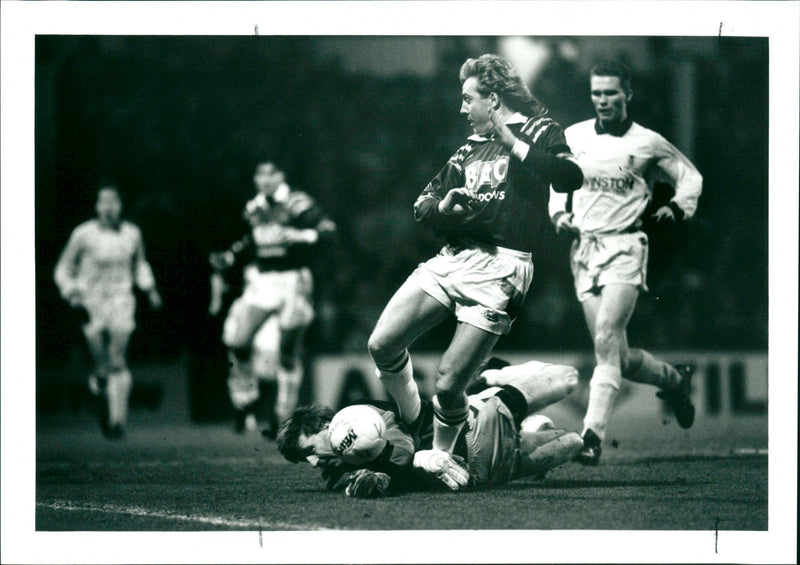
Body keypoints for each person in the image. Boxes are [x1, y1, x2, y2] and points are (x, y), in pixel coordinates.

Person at [366, 53, 583, 455]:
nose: (462, 108)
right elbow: (422, 204)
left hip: (502, 267)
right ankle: (415, 421)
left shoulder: (540, 129)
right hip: (453, 259)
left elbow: (571, 176)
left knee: (448, 384)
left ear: (494, 100)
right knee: (382, 344)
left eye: (469, 99)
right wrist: (443, 209)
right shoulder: (469, 148)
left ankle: (441, 459)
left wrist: (514, 145)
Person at [548, 61, 703, 465]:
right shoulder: (574, 135)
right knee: (617, 355)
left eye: (611, 93)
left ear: (627, 95)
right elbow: (558, 181)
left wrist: (677, 206)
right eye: (597, 92)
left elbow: (690, 177)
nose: (602, 100)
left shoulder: (647, 142)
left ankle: (591, 437)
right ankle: (674, 379)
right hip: (584, 250)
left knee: (604, 337)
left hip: (626, 247)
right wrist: (559, 213)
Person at [276, 358, 583, 497]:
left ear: (326, 425)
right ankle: (522, 424)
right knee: (573, 443)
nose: (314, 462)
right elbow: (369, 480)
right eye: (305, 460)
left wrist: (394, 458)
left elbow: (404, 449)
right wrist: (371, 482)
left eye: (309, 450)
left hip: (473, 426)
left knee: (568, 378)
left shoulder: (362, 416)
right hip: (480, 472)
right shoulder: (335, 472)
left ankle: (491, 376)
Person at [209, 161, 335, 435]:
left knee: (287, 352)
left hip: (294, 281)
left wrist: (300, 234)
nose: (264, 179)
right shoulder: (254, 207)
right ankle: (246, 400)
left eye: (270, 174)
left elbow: (328, 230)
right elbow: (251, 240)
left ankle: (283, 415)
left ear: (281, 176)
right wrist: (230, 255)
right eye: (259, 174)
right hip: (264, 282)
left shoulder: (297, 203)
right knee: (239, 342)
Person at [54, 183, 162, 439]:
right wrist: (70, 291)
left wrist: (150, 289)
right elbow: (63, 268)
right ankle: (99, 393)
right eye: (104, 201)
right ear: (96, 206)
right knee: (101, 364)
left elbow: (140, 264)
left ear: (121, 205)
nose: (109, 206)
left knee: (117, 358)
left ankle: (117, 422)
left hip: (122, 301)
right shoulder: (83, 234)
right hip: (90, 303)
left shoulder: (132, 234)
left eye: (114, 201)